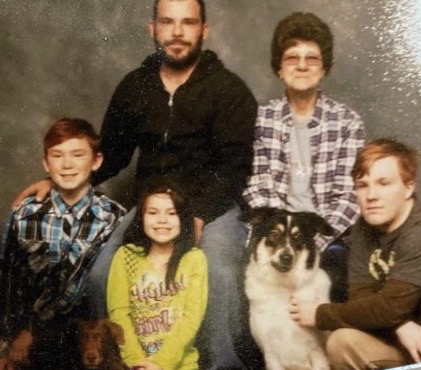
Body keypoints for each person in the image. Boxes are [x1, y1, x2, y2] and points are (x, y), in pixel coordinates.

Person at [13, 1, 257, 368]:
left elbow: (236, 167)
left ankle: (221, 364)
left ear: (204, 30)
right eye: (167, 22)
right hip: (150, 207)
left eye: (187, 23)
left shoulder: (230, 90)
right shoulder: (135, 86)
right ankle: (117, 361)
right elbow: (111, 152)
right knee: (100, 273)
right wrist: (56, 179)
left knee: (218, 272)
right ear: (153, 28)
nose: (177, 32)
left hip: (213, 205)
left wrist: (201, 215)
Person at [242, 12, 365, 301]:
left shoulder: (347, 122)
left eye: (312, 58)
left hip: (326, 236)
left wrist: (310, 243)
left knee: (333, 281)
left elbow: (349, 197)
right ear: (279, 68)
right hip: (272, 234)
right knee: (241, 275)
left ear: (324, 68)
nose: (301, 65)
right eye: (291, 58)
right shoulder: (262, 118)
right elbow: (258, 185)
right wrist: (276, 238)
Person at [289, 138, 421, 369]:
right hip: (402, 340)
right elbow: (360, 295)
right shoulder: (364, 226)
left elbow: (389, 309)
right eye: (363, 185)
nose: (371, 196)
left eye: (384, 183)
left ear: (409, 187)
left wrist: (320, 314)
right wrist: (399, 325)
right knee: (342, 342)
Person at [0, 118, 126, 370]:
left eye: (78, 154)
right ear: (46, 163)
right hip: (29, 343)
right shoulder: (24, 214)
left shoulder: (115, 218)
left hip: (88, 341)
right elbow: (8, 281)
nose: (67, 165)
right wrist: (6, 342)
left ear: (96, 161)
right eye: (57, 156)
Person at [107, 183, 207, 370]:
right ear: (141, 218)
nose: (162, 220)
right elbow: (119, 314)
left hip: (181, 365)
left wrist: (160, 365)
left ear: (183, 219)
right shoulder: (126, 256)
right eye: (152, 213)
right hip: (135, 364)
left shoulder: (194, 259)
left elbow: (191, 319)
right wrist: (137, 362)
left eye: (171, 213)